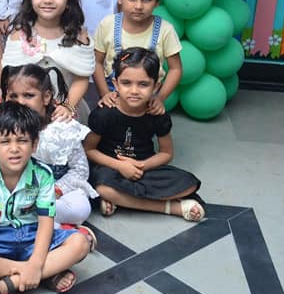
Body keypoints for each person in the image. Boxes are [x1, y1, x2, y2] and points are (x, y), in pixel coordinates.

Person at [0, 102, 92, 294]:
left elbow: (46, 223)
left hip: (32, 237)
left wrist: (36, 262)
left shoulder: (43, 174)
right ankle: (39, 274)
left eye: (22, 140)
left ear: (34, 144)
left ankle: (9, 284)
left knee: (80, 243)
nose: (14, 149)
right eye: (5, 141)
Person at [84, 48, 204, 221]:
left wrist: (140, 166)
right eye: (126, 83)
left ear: (156, 86)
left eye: (143, 84)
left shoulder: (158, 115)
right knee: (103, 187)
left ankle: (119, 200)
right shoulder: (104, 113)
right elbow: (89, 150)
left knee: (189, 183)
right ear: (116, 84)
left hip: (144, 169)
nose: (134, 91)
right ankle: (170, 207)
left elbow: (166, 153)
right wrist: (121, 166)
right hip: (109, 168)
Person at [2, 64, 97, 228]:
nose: (20, 102)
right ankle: (57, 228)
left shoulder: (62, 128)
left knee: (79, 209)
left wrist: (56, 190)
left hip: (60, 190)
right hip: (25, 188)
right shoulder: (6, 125)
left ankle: (37, 222)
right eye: (14, 96)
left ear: (46, 97)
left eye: (28, 95)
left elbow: (80, 170)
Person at [1, 0, 94, 123]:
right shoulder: (19, 34)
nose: (48, 0)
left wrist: (67, 106)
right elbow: (10, 77)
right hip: (26, 113)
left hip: (67, 112)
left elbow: (82, 78)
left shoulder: (78, 36)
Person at [94, 0, 183, 114]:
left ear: (157, 2)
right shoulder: (107, 24)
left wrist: (160, 98)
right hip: (114, 98)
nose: (138, 6)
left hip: (147, 100)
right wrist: (105, 93)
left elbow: (176, 69)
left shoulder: (165, 30)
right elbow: (97, 62)